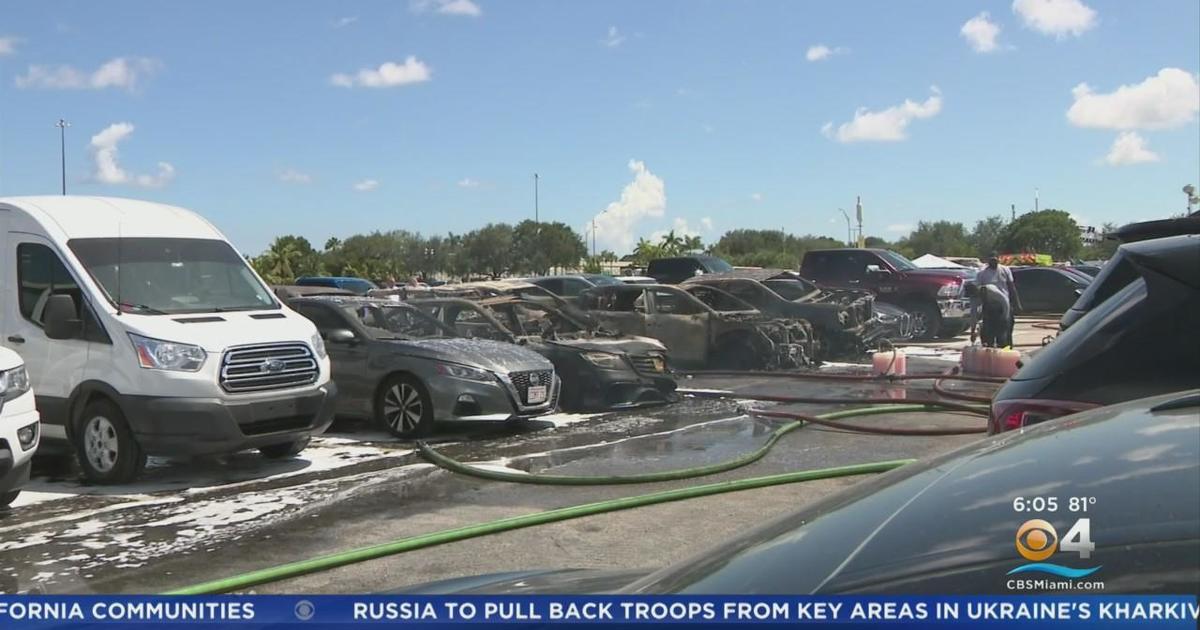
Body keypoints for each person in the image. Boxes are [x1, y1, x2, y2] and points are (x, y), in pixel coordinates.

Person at [973, 252, 1022, 347]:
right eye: (991, 260)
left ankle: (1006, 354)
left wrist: (1017, 304)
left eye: (995, 260)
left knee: (1006, 334)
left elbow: (1011, 287)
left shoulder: (1005, 270)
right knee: (989, 334)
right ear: (988, 261)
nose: (993, 262)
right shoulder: (982, 274)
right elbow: (979, 293)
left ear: (998, 259)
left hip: (1005, 305)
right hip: (989, 308)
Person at [966, 282, 1011, 347]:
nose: (975, 296)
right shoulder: (973, 297)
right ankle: (989, 348)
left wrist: (1006, 316)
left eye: (975, 293)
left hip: (1001, 310)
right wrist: (973, 331)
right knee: (987, 334)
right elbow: (973, 313)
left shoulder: (991, 290)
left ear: (976, 289)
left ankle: (1003, 350)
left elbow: (1005, 301)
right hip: (989, 312)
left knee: (1001, 335)